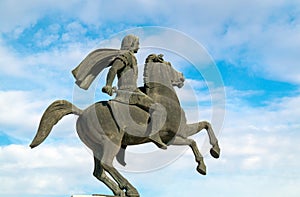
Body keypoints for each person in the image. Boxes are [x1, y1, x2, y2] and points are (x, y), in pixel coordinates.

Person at [102, 35, 167, 149]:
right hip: (129, 93)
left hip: (133, 90)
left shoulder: (131, 57)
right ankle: (154, 134)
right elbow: (113, 69)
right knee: (159, 109)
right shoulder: (126, 56)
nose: (139, 46)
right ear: (131, 44)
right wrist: (108, 84)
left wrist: (154, 59)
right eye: (137, 43)